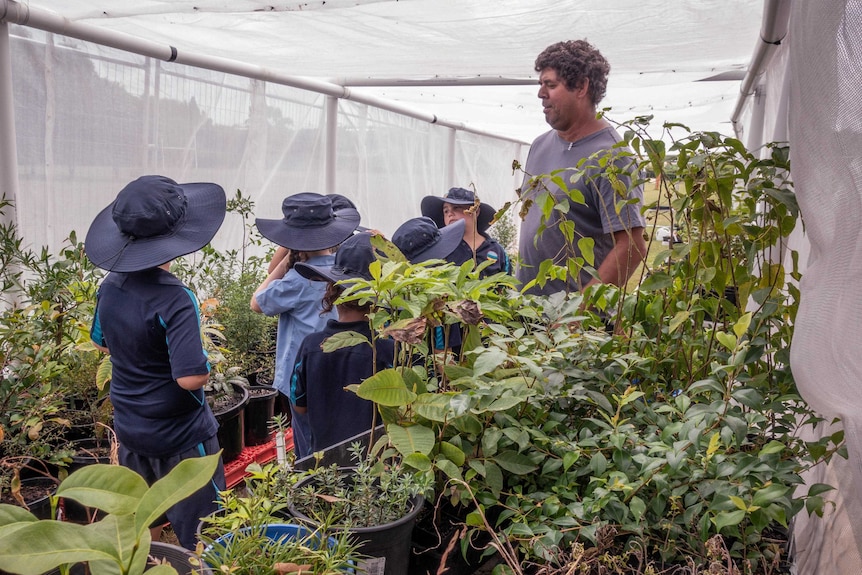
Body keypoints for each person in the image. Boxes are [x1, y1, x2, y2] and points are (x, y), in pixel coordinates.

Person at [85, 174, 228, 550]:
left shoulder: (110, 286)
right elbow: (190, 378)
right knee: (206, 534)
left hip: (132, 428)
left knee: (145, 519)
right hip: (180, 438)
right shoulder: (176, 298)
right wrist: (207, 362)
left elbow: (102, 345)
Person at [517, 40, 647, 296]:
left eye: (551, 85)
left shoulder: (612, 156)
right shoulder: (540, 145)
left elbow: (631, 246)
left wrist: (579, 312)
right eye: (540, 84)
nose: (541, 94)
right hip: (528, 315)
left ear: (581, 86)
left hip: (573, 326)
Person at [251, 193, 360, 459]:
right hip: (341, 365)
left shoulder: (296, 281)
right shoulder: (343, 269)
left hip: (304, 373)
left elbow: (257, 302)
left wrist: (288, 258)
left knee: (308, 445)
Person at [290, 233, 395, 455]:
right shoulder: (388, 351)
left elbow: (299, 405)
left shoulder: (311, 347)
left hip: (325, 468)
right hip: (374, 471)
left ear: (332, 290)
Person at [420, 187, 510, 277]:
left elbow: (506, 287)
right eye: (446, 211)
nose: (450, 213)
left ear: (475, 211)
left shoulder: (496, 250)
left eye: (456, 207)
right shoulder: (438, 250)